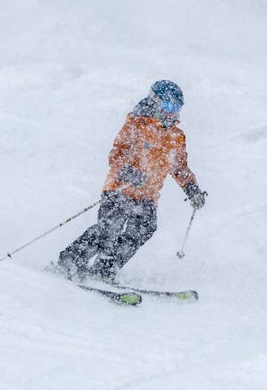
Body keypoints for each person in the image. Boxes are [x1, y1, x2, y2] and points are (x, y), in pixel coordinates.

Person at [57, 80, 207, 281]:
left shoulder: (176, 136)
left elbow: (179, 167)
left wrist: (192, 190)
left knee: (143, 230)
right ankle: (71, 260)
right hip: (121, 189)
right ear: (155, 102)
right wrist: (128, 172)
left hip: (147, 197)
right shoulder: (136, 124)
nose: (172, 112)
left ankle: (105, 269)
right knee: (110, 229)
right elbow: (116, 154)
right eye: (168, 106)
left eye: (176, 108)